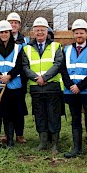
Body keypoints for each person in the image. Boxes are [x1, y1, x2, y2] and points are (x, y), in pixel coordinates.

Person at [61, 19, 87, 162]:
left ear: (86, 33)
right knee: (75, 119)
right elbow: (63, 70)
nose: (79, 35)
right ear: (73, 34)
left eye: (82, 32)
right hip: (71, 91)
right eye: (77, 32)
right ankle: (76, 148)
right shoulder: (66, 49)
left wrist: (80, 86)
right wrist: (70, 86)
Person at [22, 17, 64, 154]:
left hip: (52, 87)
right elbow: (25, 66)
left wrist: (45, 77)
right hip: (36, 88)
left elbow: (58, 64)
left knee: (53, 115)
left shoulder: (56, 46)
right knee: (39, 115)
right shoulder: (26, 48)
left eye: (42, 30)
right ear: (33, 32)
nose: (40, 32)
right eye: (37, 30)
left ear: (47, 31)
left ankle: (55, 144)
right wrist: (36, 78)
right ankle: (43, 142)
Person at [0, 20, 23, 153]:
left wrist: (9, 76)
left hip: (12, 85)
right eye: (1, 32)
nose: (4, 34)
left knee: (10, 115)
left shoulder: (18, 47)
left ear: (10, 33)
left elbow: (19, 66)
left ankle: (10, 140)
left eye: (6, 32)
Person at [3, 12, 29, 144]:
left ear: (19, 25)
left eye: (15, 22)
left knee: (19, 107)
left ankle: (19, 134)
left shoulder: (25, 41)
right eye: (10, 22)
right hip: (4, 80)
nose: (13, 25)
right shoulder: (1, 39)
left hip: (20, 80)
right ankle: (7, 135)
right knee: (5, 107)